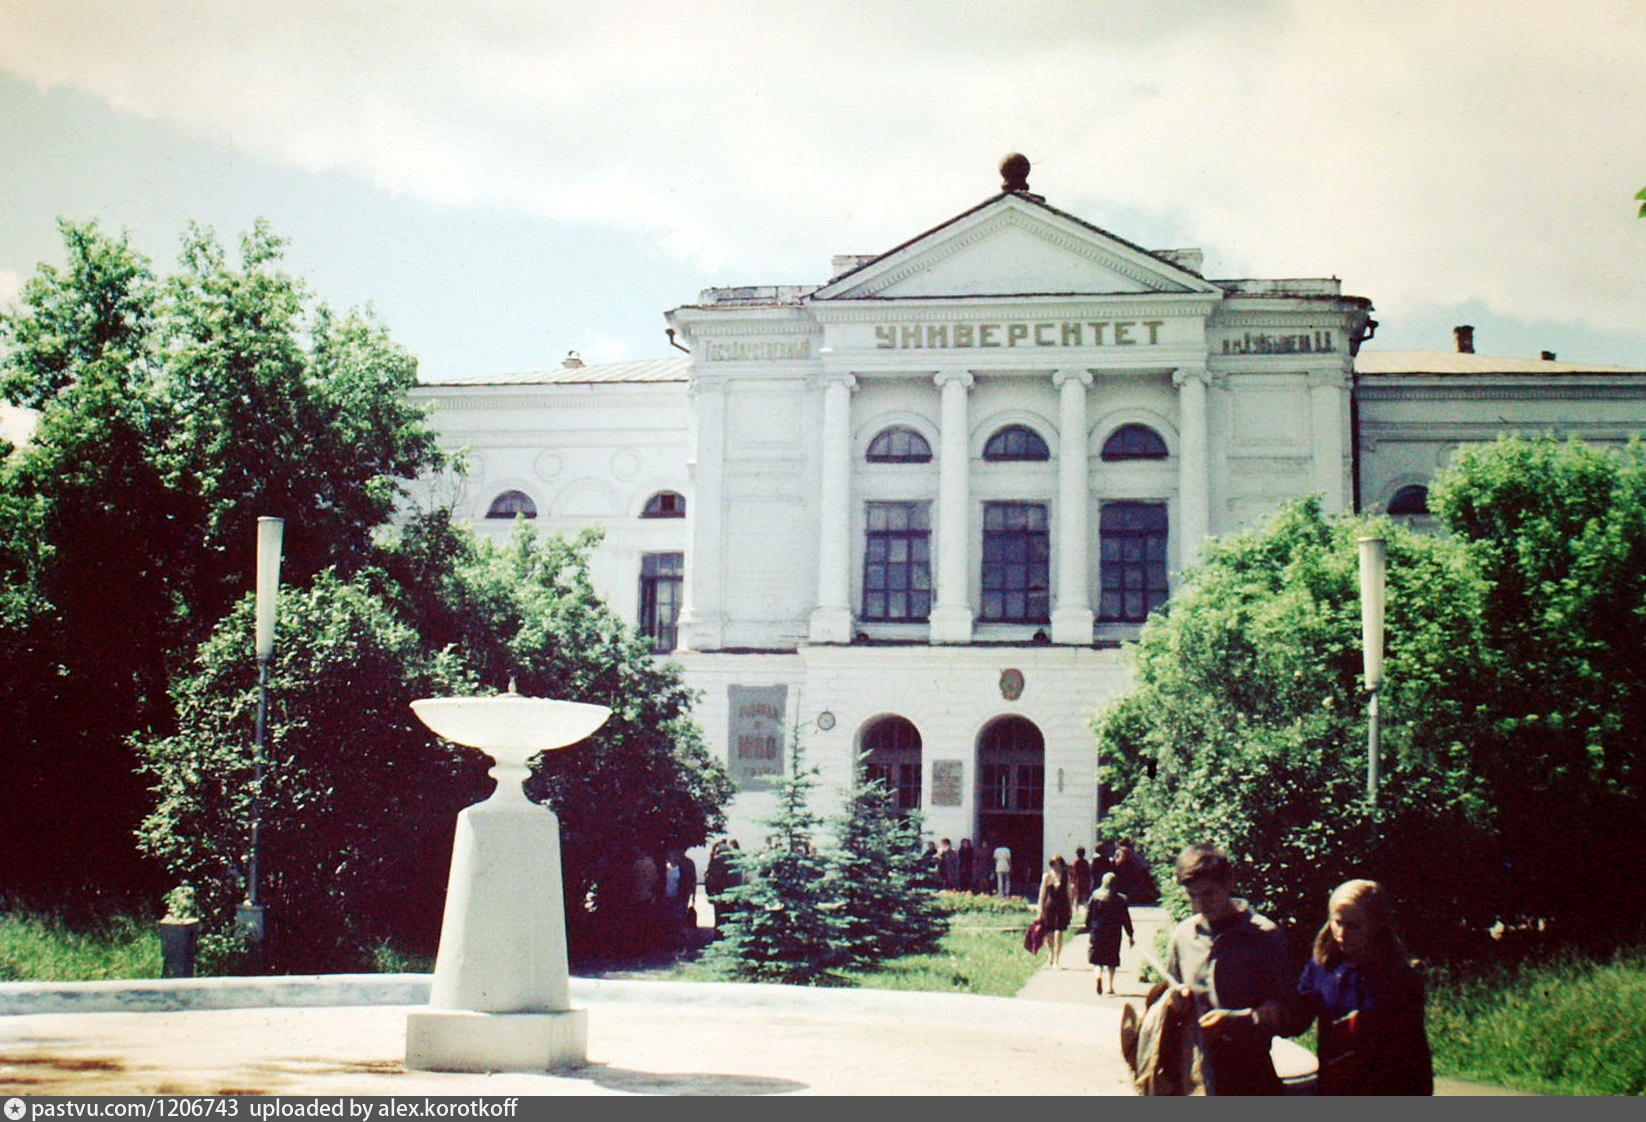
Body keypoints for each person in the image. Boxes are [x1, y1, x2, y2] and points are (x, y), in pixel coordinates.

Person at [1279, 879, 1434, 1095]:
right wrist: (1265, 1012)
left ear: (1376, 926)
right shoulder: (1322, 966)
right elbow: (1296, 1022)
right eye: (1337, 922)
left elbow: (1414, 1055)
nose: (1341, 933)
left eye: (1353, 926)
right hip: (1334, 1088)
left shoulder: (1400, 977)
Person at [1164, 843, 1291, 1096]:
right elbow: (1168, 1004)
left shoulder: (1264, 936)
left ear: (1229, 883)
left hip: (1250, 1076)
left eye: (1208, 893)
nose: (1200, 904)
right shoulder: (1182, 937)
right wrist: (1173, 1004)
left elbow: (1289, 1017)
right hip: (1196, 1077)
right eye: (1191, 895)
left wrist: (1237, 1020)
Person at [1083, 870, 1134, 994]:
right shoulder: (1120, 899)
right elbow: (1125, 918)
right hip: (1113, 933)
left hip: (1097, 932)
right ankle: (1110, 986)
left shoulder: (1095, 896)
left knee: (1097, 961)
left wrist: (1089, 926)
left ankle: (1098, 977)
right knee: (1111, 961)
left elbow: (1088, 915)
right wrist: (1130, 934)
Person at [1036, 855, 1075, 968]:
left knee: (1059, 933)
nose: (1056, 866)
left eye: (1058, 863)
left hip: (1062, 907)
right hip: (1049, 907)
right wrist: (1040, 911)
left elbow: (1069, 894)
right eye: (1053, 864)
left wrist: (1071, 909)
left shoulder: (1066, 877)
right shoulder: (1047, 876)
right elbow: (1042, 895)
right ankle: (1051, 951)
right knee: (1049, 933)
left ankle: (1056, 960)